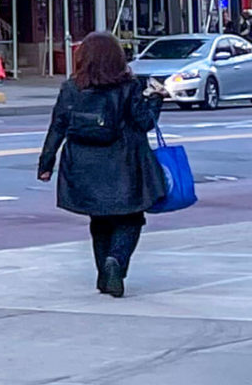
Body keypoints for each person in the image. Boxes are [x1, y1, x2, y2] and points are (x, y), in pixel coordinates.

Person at [38, 31, 168, 296]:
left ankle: (103, 275)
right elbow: (143, 123)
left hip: (83, 164)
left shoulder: (72, 88)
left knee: (99, 220)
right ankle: (115, 262)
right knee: (130, 219)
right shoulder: (128, 87)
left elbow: (57, 126)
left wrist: (46, 163)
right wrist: (156, 98)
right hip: (123, 163)